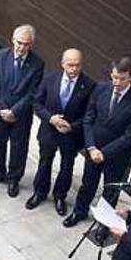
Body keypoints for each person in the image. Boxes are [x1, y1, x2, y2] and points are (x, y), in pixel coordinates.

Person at [65, 57, 131, 227]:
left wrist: (104, 152)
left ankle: (104, 223)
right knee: (88, 183)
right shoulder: (101, 88)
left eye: (122, 79)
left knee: (111, 190)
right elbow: (88, 118)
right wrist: (91, 147)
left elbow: (130, 135)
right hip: (94, 149)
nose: (117, 82)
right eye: (115, 77)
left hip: (116, 155)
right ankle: (79, 211)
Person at [0, 24, 45, 198]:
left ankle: (14, 178)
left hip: (21, 115)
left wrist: (14, 111)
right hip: (0, 110)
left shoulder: (37, 64)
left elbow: (33, 93)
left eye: (26, 44)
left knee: (18, 147)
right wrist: (2, 108)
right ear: (13, 40)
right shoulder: (1, 56)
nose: (22, 47)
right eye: (19, 42)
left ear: (31, 44)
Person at [27, 48, 95, 215]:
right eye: (70, 65)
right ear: (62, 64)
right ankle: (39, 192)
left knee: (66, 166)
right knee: (44, 162)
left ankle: (60, 196)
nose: (73, 69)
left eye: (77, 65)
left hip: (71, 135)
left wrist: (71, 126)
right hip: (49, 130)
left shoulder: (89, 85)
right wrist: (51, 119)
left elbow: (89, 114)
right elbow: (37, 103)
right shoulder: (50, 78)